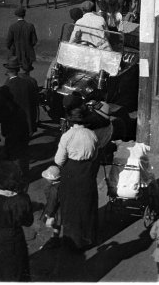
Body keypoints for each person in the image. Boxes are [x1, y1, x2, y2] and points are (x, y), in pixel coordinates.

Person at [54, 105, 100, 251]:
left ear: (70, 120)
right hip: (87, 171)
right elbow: (95, 155)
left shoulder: (67, 136)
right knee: (87, 204)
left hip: (71, 172)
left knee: (70, 207)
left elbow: (59, 160)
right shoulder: (92, 135)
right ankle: (88, 238)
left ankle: (72, 242)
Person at [3, 57, 38, 137]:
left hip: (13, 124)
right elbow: (34, 101)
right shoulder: (28, 83)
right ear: (18, 70)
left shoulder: (7, 85)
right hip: (26, 123)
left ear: (8, 72)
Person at [6, 7, 37, 72]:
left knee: (16, 72)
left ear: (16, 15)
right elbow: (34, 41)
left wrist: (12, 48)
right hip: (28, 54)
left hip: (15, 54)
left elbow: (8, 42)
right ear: (24, 15)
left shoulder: (12, 26)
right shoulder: (30, 26)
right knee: (26, 72)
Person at [41, 164, 62, 241]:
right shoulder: (62, 183)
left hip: (56, 210)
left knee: (56, 224)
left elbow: (52, 203)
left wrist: (48, 214)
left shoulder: (53, 190)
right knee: (59, 222)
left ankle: (55, 237)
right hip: (62, 207)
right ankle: (56, 235)